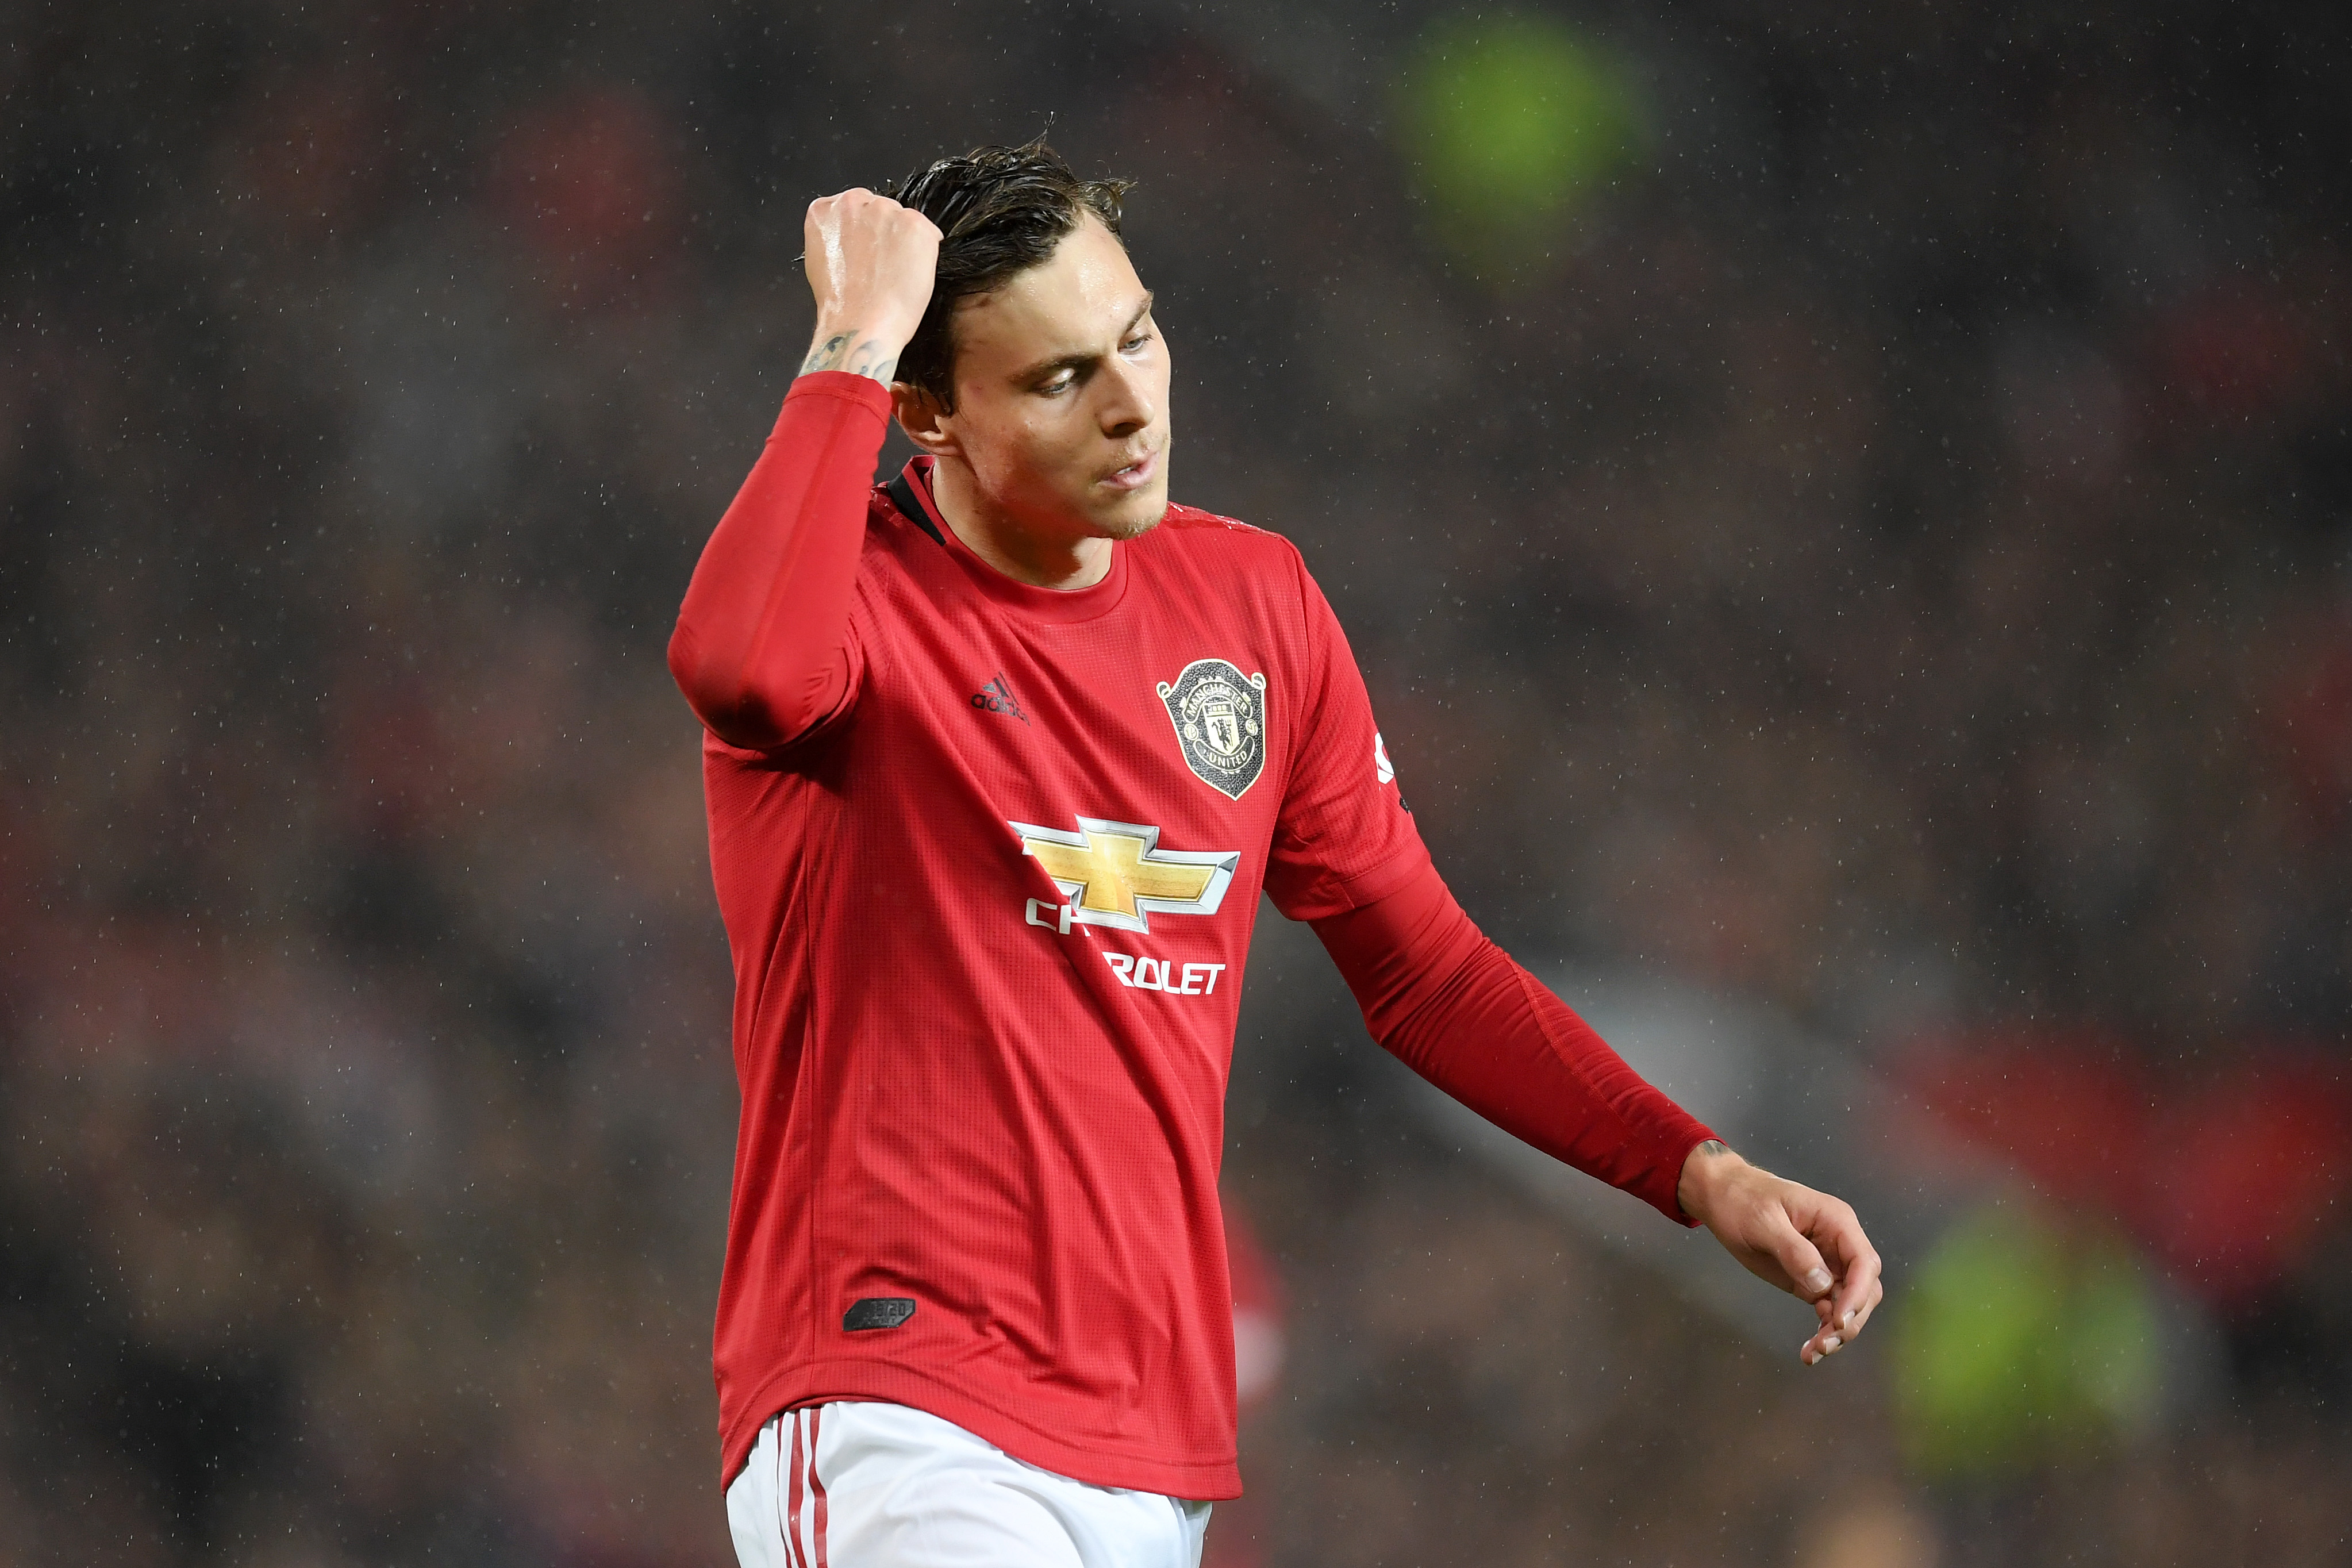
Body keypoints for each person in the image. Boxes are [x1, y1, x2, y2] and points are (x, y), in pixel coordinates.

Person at [668, 140, 1883, 1568]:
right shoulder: (854, 596)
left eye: (1138, 336)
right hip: (901, 1401)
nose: (1133, 405)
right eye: (1060, 378)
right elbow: (743, 671)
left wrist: (1697, 1169)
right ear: (927, 410)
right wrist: (854, 339)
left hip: (1148, 1447)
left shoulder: (1254, 606)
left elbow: (1425, 970)